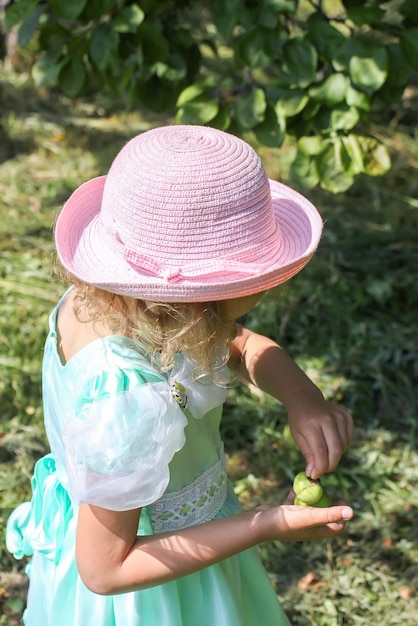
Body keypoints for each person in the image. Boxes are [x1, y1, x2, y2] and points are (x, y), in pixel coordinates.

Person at [6, 125, 354, 626]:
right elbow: (106, 569)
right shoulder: (123, 393)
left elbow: (236, 344)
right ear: (201, 300)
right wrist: (265, 523)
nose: (269, 287)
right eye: (258, 279)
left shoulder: (119, 307)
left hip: (173, 542)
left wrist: (301, 396)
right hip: (150, 587)